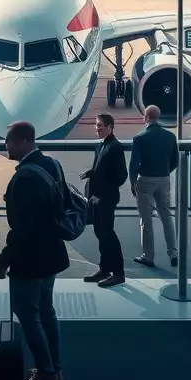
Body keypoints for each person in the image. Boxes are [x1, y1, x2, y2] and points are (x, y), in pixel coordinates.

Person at [0, 121, 68, 380]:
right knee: (47, 311)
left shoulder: (24, 178)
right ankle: (55, 369)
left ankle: (47, 375)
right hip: (52, 253)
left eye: (9, 141)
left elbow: (22, 228)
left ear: (24, 142)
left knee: (27, 314)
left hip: (31, 259)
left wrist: (4, 261)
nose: (6, 146)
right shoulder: (52, 165)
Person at [80, 113, 127, 287]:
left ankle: (119, 273)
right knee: (100, 233)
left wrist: (102, 196)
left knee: (108, 235)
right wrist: (90, 173)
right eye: (96, 125)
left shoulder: (115, 147)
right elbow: (101, 169)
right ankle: (105, 269)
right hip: (96, 199)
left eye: (100, 125)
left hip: (105, 199)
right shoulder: (101, 146)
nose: (97, 128)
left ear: (110, 127)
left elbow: (121, 176)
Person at [129, 104, 179, 268]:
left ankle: (148, 256)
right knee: (166, 215)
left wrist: (132, 182)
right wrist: (165, 171)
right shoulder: (170, 136)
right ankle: (173, 252)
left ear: (146, 117)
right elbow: (175, 161)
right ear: (158, 117)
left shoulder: (140, 138)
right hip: (163, 179)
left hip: (145, 180)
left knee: (146, 219)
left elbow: (134, 164)